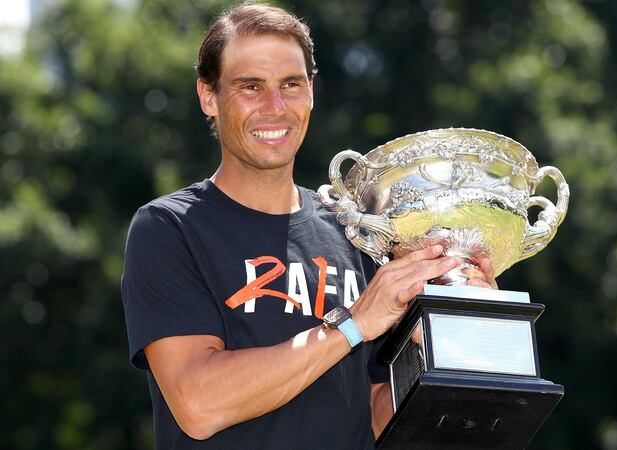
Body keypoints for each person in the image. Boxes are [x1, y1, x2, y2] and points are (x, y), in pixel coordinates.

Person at [121, 3, 496, 450]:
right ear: (208, 96)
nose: (274, 107)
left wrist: (449, 331)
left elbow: (376, 417)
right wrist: (352, 324)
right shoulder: (169, 228)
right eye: (250, 87)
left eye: (291, 85)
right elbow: (200, 405)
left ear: (311, 91)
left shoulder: (355, 230)